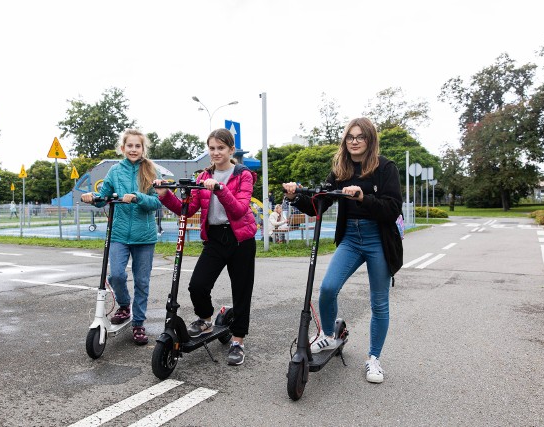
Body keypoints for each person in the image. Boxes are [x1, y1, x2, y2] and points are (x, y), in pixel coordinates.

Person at [283, 117, 403, 384]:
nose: (355, 142)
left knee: (379, 302)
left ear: (370, 140)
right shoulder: (340, 169)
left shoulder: (385, 168)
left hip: (378, 239)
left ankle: (374, 359)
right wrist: (294, 196)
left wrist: (362, 197)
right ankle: (327, 335)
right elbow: (318, 205)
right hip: (350, 237)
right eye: (350, 137)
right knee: (327, 288)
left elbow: (393, 208)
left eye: (360, 137)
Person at [155, 128, 257, 366]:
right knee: (197, 285)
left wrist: (220, 190)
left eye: (221, 148)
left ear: (231, 150)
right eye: (212, 148)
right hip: (215, 238)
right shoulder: (202, 177)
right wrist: (165, 194)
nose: (216, 152)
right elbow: (188, 209)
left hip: (240, 239)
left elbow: (240, 209)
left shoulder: (243, 175)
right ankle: (205, 318)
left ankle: (238, 341)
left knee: (241, 291)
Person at [81, 129, 162, 345]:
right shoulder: (115, 172)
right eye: (130, 146)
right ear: (122, 148)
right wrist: (92, 198)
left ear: (143, 149)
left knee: (142, 282)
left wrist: (138, 198)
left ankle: (138, 324)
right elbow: (104, 196)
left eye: (138, 146)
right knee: (115, 275)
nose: (134, 149)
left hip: (144, 236)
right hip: (119, 234)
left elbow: (157, 202)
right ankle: (124, 305)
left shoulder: (151, 171)